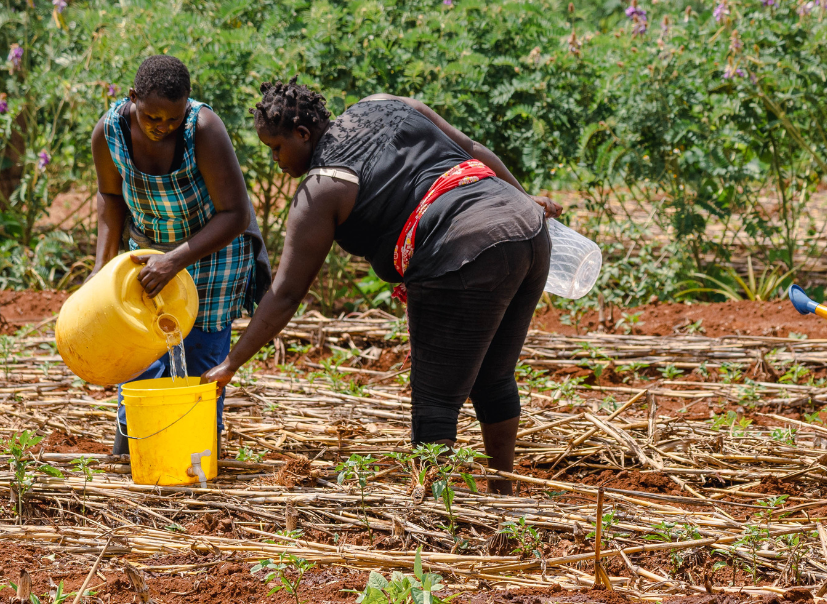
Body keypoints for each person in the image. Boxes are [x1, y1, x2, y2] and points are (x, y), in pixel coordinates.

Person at [202, 79, 561, 495]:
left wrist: (231, 363)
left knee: (434, 401)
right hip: (527, 229)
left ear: (303, 134)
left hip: (462, 249)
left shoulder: (321, 189)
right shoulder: (384, 103)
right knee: (493, 376)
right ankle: (502, 493)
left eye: (277, 148)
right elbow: (473, 149)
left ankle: (436, 512)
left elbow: (285, 294)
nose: (276, 161)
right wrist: (525, 198)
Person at [91, 55, 270, 456]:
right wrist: (102, 268)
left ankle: (193, 456)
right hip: (149, 255)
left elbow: (236, 214)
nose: (162, 127)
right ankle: (134, 450)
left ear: (186, 106)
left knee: (200, 360)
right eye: (153, 117)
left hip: (212, 253)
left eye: (172, 119)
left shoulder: (201, 129)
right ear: (133, 98)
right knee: (139, 349)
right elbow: (109, 196)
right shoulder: (110, 132)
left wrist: (175, 262)